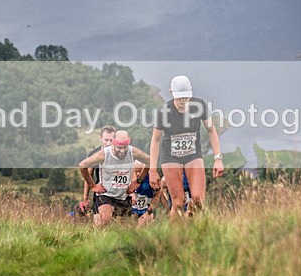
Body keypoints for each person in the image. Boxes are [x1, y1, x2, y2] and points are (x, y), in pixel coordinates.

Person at [149, 75, 224, 218]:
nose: (183, 101)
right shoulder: (163, 112)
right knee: (178, 202)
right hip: (171, 156)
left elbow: (211, 130)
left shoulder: (199, 105)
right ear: (171, 93)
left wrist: (218, 158)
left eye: (186, 97)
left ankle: (190, 220)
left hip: (192, 154)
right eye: (179, 98)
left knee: (198, 200)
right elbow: (156, 140)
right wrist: (153, 170)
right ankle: (174, 238)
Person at [79, 130, 152, 226]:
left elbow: (149, 161)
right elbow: (82, 165)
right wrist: (92, 185)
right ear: (113, 144)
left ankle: (97, 219)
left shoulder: (132, 152)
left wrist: (138, 181)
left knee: (124, 228)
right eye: (119, 148)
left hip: (124, 194)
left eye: (124, 148)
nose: (122, 151)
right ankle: (99, 222)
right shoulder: (104, 154)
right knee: (106, 220)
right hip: (106, 193)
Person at [79, 125, 115, 217]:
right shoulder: (94, 155)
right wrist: (86, 198)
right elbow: (88, 175)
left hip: (118, 192)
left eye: (111, 140)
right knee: (101, 220)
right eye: (106, 140)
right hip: (101, 192)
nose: (109, 143)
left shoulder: (121, 153)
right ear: (100, 138)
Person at [131, 161, 166, 227]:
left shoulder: (151, 178)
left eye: (140, 171)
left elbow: (158, 195)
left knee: (140, 227)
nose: (138, 174)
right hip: (133, 210)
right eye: (136, 172)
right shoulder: (128, 177)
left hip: (147, 210)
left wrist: (149, 211)